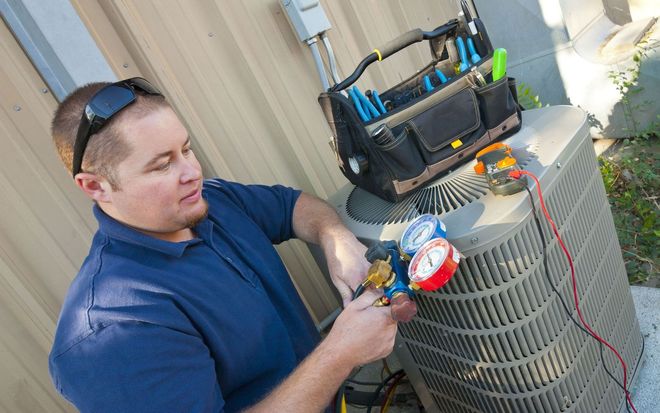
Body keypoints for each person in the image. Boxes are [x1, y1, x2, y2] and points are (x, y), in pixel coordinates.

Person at [48, 78, 398, 413]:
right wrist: (339, 355)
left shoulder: (211, 201)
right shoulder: (113, 331)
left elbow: (292, 206)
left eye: (186, 149)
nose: (192, 172)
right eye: (162, 165)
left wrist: (336, 239)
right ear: (95, 187)